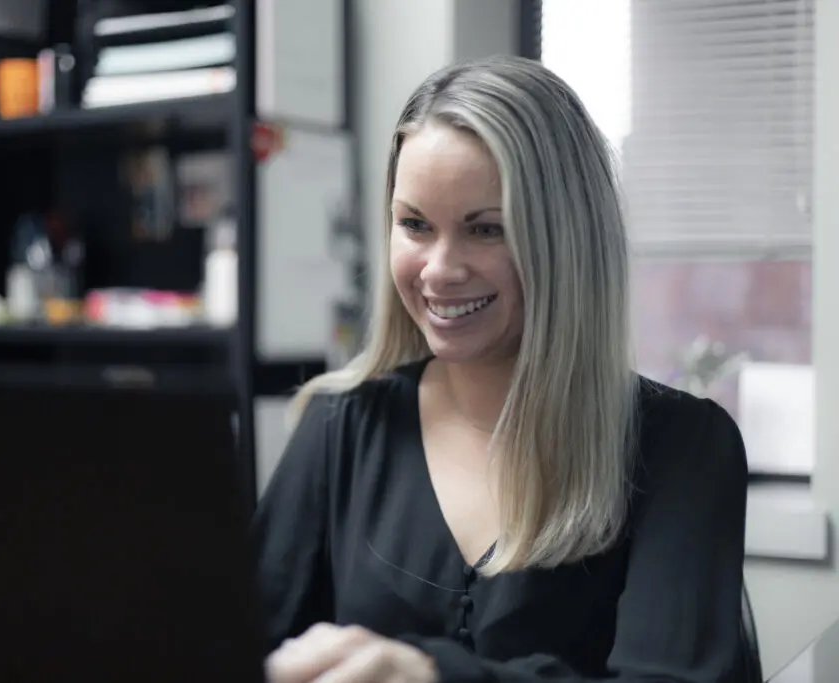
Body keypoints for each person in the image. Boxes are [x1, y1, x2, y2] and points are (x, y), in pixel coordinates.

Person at [252, 55, 748, 683]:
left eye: (486, 230)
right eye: (414, 225)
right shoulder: (341, 425)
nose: (439, 269)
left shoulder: (683, 447)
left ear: (563, 239)